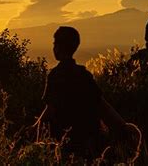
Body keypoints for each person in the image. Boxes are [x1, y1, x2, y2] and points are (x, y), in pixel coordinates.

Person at [42, 26, 131, 161]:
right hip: (89, 141)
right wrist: (123, 127)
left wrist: (33, 132)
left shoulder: (55, 76)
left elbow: (50, 110)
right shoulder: (84, 75)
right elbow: (101, 105)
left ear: (59, 47)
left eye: (55, 43)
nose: (54, 47)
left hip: (66, 143)